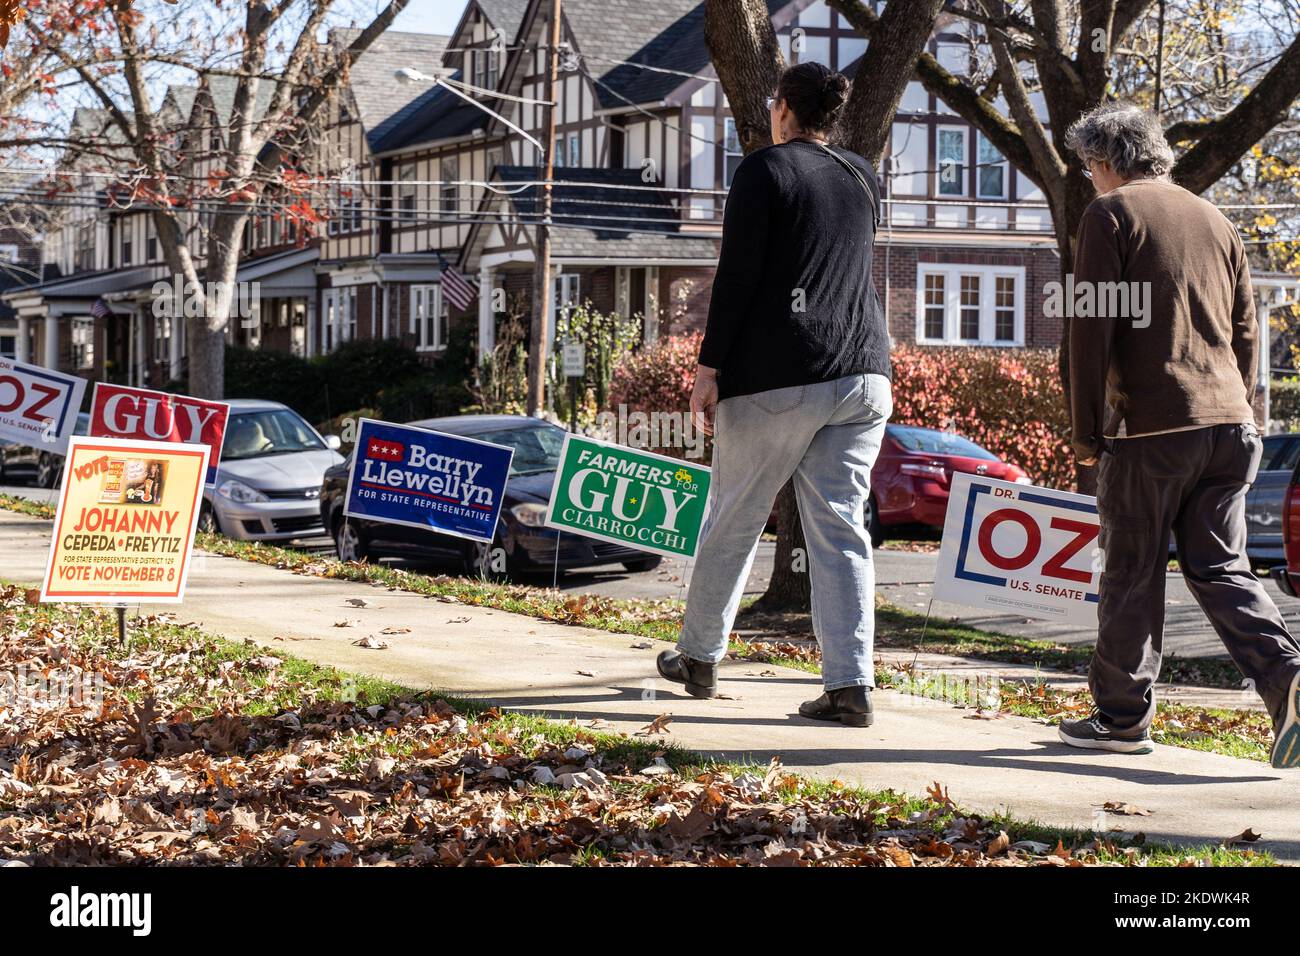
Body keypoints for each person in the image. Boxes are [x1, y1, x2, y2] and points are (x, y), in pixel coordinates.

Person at [1061, 102, 1300, 768]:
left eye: (1087, 167)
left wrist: (1085, 432)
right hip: (1231, 427)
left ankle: (1122, 717)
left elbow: (1089, 332)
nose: (1089, 180)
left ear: (1105, 160)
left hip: (1154, 428)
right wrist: (1242, 407)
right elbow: (1248, 331)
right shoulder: (1220, 221)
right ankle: (1287, 679)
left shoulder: (1110, 215)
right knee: (1220, 566)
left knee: (1133, 570)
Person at [654, 62, 892, 727]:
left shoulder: (763, 170)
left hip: (782, 372)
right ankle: (850, 685)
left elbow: (737, 277)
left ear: (783, 107)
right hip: (866, 374)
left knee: (734, 514)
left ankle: (699, 656)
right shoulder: (860, 176)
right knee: (842, 530)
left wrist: (708, 367)